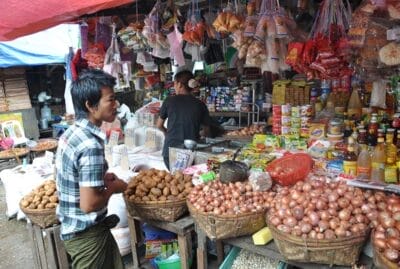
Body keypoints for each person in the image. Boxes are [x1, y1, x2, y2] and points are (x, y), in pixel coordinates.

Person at [55, 69, 127, 269]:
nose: (116, 104)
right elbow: (89, 204)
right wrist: (114, 188)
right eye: (110, 100)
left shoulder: (72, 133)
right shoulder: (90, 145)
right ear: (90, 105)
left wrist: (100, 180)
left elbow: (75, 176)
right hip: (88, 236)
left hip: (75, 230)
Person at [157, 70, 212, 170]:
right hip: (190, 152)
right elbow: (206, 131)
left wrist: (167, 133)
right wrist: (198, 133)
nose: (174, 86)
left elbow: (159, 125)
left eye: (175, 84)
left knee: (175, 181)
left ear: (180, 85)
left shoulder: (169, 101)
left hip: (170, 149)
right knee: (187, 182)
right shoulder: (200, 104)